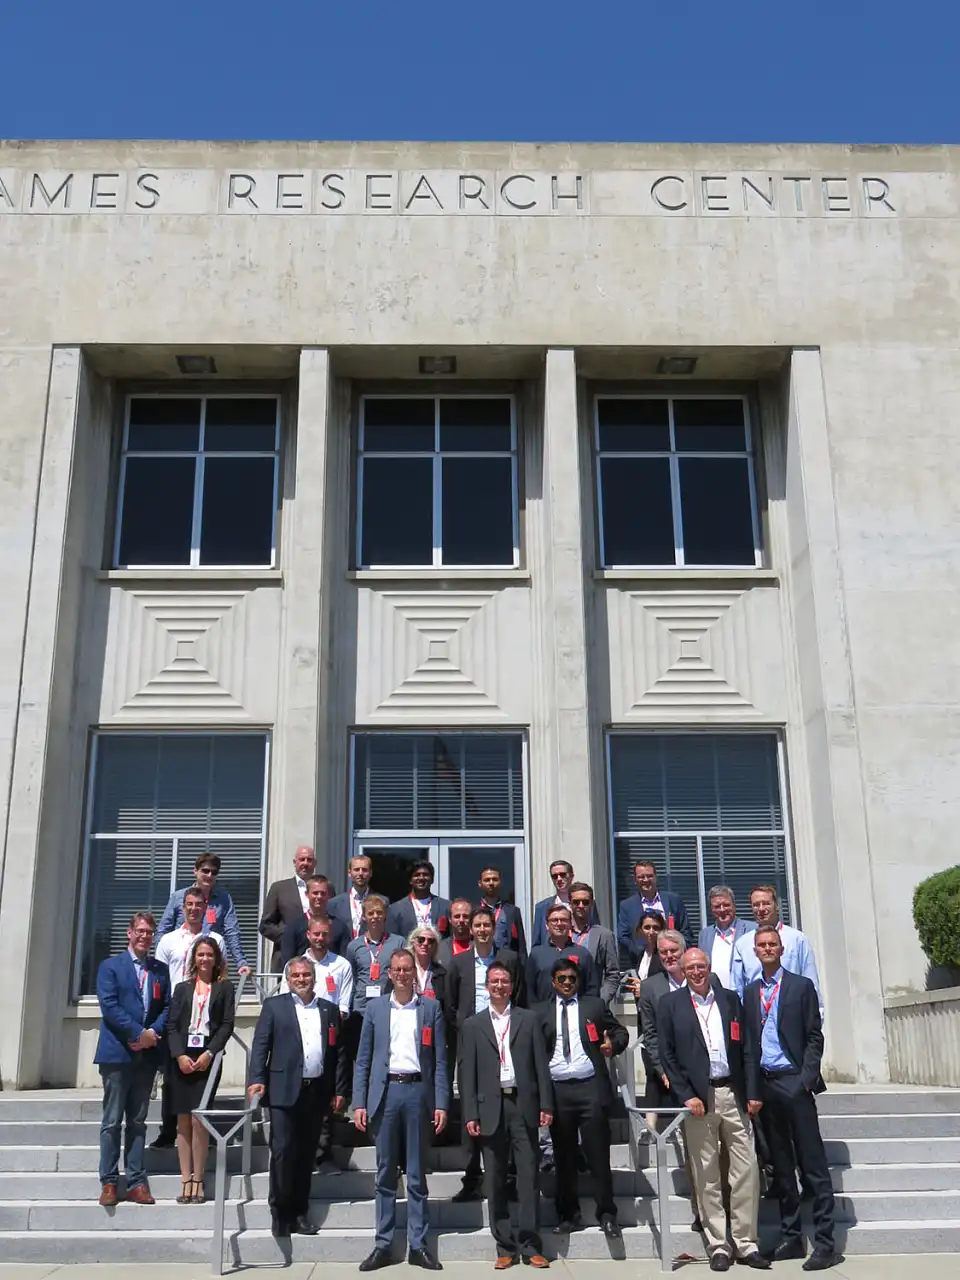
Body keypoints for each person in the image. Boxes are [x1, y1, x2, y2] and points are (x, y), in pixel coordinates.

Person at [658, 948, 767, 1272]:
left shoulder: (730, 999)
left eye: (701, 966)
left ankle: (747, 1244)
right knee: (706, 1173)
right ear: (682, 970)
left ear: (709, 968)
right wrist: (685, 1095)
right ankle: (719, 1244)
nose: (696, 972)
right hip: (698, 1100)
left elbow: (748, 1047)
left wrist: (752, 1091)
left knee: (746, 1169)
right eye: (690, 967)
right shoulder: (671, 1005)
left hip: (733, 1092)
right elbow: (667, 1055)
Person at [743, 926, 839, 1271]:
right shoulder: (751, 992)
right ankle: (791, 1237)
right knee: (782, 1168)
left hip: (794, 1083)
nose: (767, 948)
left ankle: (826, 1244)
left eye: (772, 944)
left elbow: (815, 1035)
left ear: (781, 948)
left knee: (812, 1167)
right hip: (766, 1087)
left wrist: (805, 1080)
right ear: (755, 951)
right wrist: (753, 1091)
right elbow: (749, 1049)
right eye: (761, 945)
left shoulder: (801, 986)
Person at [353, 948, 449, 1272]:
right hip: (386, 1095)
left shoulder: (431, 1009)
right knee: (384, 1174)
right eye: (397, 970)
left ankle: (418, 1245)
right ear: (390, 974)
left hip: (418, 1095)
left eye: (408, 969)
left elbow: (439, 1062)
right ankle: (383, 1245)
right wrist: (359, 1102)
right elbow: (363, 1059)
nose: (403, 974)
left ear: (414, 973)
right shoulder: (376, 1009)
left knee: (417, 1174)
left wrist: (441, 1103)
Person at [248, 956, 349, 1237]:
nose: (302, 980)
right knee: (282, 1152)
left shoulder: (328, 1010)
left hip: (316, 1091)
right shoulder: (274, 1007)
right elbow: (260, 1046)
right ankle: (280, 1213)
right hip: (282, 1090)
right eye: (296, 976)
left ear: (314, 978)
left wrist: (340, 1090)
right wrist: (256, 1079)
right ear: (288, 979)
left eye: (306, 975)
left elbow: (338, 1054)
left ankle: (300, 1211)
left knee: (306, 1155)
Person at [460, 963, 553, 1269]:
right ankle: (504, 1246)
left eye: (504, 981)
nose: (499, 986)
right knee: (495, 1179)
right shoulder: (473, 1025)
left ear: (511, 986)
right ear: (487, 986)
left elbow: (541, 1066)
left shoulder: (528, 1020)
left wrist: (546, 1105)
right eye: (494, 981)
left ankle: (530, 1244)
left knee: (528, 1177)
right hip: (489, 1108)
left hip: (523, 1105)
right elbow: (467, 1073)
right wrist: (470, 1112)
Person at [535, 957, 628, 1240]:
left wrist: (613, 1044)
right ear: (553, 983)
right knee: (563, 1157)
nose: (566, 983)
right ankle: (568, 1214)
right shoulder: (539, 1012)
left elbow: (620, 1031)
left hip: (590, 1087)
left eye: (571, 979)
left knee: (598, 1155)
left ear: (578, 981)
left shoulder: (594, 1006)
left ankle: (608, 1214)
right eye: (561, 979)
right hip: (558, 1090)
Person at [445, 906, 524, 1203]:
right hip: (472, 1042)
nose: (480, 930)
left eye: (485, 925)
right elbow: (451, 1006)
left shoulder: (510, 960)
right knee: (471, 1108)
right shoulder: (458, 963)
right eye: (476, 925)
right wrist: (469, 1030)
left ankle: (510, 1178)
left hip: (505, 1038)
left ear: (493, 927)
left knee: (509, 1107)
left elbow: (521, 997)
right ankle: (472, 1178)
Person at [94, 911, 171, 1207]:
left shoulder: (160, 970)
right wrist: (139, 1032)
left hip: (147, 1057)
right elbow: (109, 1006)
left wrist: (152, 1032)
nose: (144, 936)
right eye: (139, 931)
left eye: (149, 932)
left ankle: (137, 1182)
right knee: (112, 1121)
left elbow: (167, 1006)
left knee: (138, 1121)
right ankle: (110, 1181)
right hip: (117, 1054)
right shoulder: (111, 967)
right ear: (129, 933)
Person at [152, 887, 224, 1148]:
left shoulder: (214, 940)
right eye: (189, 904)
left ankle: (204, 1132)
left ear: (206, 907)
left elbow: (219, 975)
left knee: (206, 1076)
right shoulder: (168, 940)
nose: (194, 908)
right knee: (172, 1077)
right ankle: (168, 1130)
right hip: (175, 1015)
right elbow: (159, 979)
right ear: (182, 907)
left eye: (199, 904)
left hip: (204, 1016)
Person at [167, 936, 236, 1204]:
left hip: (208, 1057)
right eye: (200, 955)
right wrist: (179, 1055)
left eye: (209, 954)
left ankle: (199, 1178)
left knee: (199, 1118)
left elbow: (227, 1024)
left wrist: (209, 1053)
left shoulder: (224, 988)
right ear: (193, 959)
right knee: (183, 1119)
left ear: (217, 959)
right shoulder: (182, 989)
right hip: (182, 1058)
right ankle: (185, 1178)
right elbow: (172, 1026)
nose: (205, 959)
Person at [731, 885, 823, 1015]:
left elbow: (811, 982)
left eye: (766, 903)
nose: (761, 909)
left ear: (776, 905)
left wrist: (816, 1018)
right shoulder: (742, 944)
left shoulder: (797, 939)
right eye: (756, 905)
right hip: (757, 1017)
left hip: (792, 1013)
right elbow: (737, 989)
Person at [157, 851, 251, 975]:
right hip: (182, 964)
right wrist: (161, 961)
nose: (209, 875)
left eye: (214, 872)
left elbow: (232, 932)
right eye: (205, 871)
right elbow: (163, 930)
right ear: (195, 871)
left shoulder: (224, 899)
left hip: (209, 962)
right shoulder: (178, 897)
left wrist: (241, 963)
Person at [346, 894, 406, 1073]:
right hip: (360, 1011)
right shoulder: (354, 946)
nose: (375, 917)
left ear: (385, 915)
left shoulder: (397, 942)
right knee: (361, 1059)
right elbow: (352, 977)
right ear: (363, 916)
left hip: (387, 1009)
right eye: (371, 913)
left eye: (379, 913)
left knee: (385, 1056)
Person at [637, 930, 688, 1112]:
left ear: (684, 951)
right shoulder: (650, 987)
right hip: (671, 1064)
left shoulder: (702, 979)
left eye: (673, 951)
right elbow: (650, 1033)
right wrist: (662, 1069)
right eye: (663, 952)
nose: (669, 956)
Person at [618, 859, 692, 962]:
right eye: (641, 877)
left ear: (656, 877)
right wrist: (642, 953)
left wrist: (676, 951)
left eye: (649, 876)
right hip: (643, 961)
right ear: (635, 879)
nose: (646, 880)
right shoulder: (627, 906)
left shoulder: (673, 900)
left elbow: (686, 931)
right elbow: (623, 937)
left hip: (672, 959)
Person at [259, 844, 317, 972]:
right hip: (287, 959)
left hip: (320, 959)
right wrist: (290, 936)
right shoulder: (279, 889)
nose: (305, 863)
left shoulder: (324, 889)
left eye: (309, 860)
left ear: (315, 863)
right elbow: (265, 925)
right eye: (302, 859)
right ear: (294, 862)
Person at [281, 916, 354, 1017]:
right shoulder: (293, 966)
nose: (320, 938)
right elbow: (284, 1000)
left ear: (330, 936)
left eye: (324, 934)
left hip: (329, 1024)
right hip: (300, 1022)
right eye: (316, 934)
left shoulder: (342, 965)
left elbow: (343, 1006)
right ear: (308, 935)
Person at [525, 904, 599, 1004]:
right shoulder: (536, 954)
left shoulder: (583, 954)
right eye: (554, 920)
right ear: (547, 925)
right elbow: (529, 989)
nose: (559, 924)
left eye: (563, 920)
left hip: (576, 1013)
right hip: (544, 1015)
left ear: (570, 924)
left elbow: (592, 988)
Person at [568, 881, 620, 1006]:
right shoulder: (561, 933)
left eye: (585, 902)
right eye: (576, 902)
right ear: (570, 904)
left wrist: (600, 1001)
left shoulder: (604, 935)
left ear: (591, 903)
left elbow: (612, 974)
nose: (580, 905)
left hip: (591, 1002)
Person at [281, 874, 351, 964]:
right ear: (307, 894)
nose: (319, 897)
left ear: (329, 896)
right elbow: (287, 963)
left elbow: (344, 961)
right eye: (315, 893)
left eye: (323, 893)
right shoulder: (293, 927)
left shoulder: (340, 927)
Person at [697, 885, 755, 992]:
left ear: (734, 906)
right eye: (717, 906)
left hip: (744, 993)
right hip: (715, 996)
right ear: (711, 909)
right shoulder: (704, 935)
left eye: (726, 905)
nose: (722, 910)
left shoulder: (751, 930)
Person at [530, 861, 597, 949]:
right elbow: (537, 943)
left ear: (571, 876)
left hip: (581, 956)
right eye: (554, 876)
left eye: (563, 875)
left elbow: (596, 934)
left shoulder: (585, 903)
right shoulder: (542, 907)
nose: (559, 879)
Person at [387, 861, 451, 939]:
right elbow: (393, 941)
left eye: (425, 875)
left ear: (432, 879)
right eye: (417, 875)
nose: (421, 878)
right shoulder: (395, 909)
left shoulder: (446, 906)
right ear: (410, 880)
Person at [478, 866, 527, 961]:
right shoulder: (473, 911)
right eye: (487, 880)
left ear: (500, 882)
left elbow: (521, 947)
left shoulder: (512, 911)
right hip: (481, 962)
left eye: (495, 879)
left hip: (506, 964)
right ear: (480, 884)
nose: (491, 883)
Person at [329, 854, 374, 940]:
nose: (360, 873)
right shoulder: (334, 904)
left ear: (370, 873)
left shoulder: (382, 901)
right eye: (356, 870)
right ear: (349, 873)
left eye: (364, 870)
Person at [408, 925, 448, 1005]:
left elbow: (447, 1004)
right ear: (413, 942)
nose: (425, 943)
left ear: (435, 946)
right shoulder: (404, 970)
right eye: (421, 940)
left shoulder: (442, 973)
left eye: (431, 941)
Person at [437, 898, 474, 968]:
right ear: (450, 919)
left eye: (465, 916)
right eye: (457, 916)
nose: (461, 920)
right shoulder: (439, 948)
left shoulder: (478, 947)